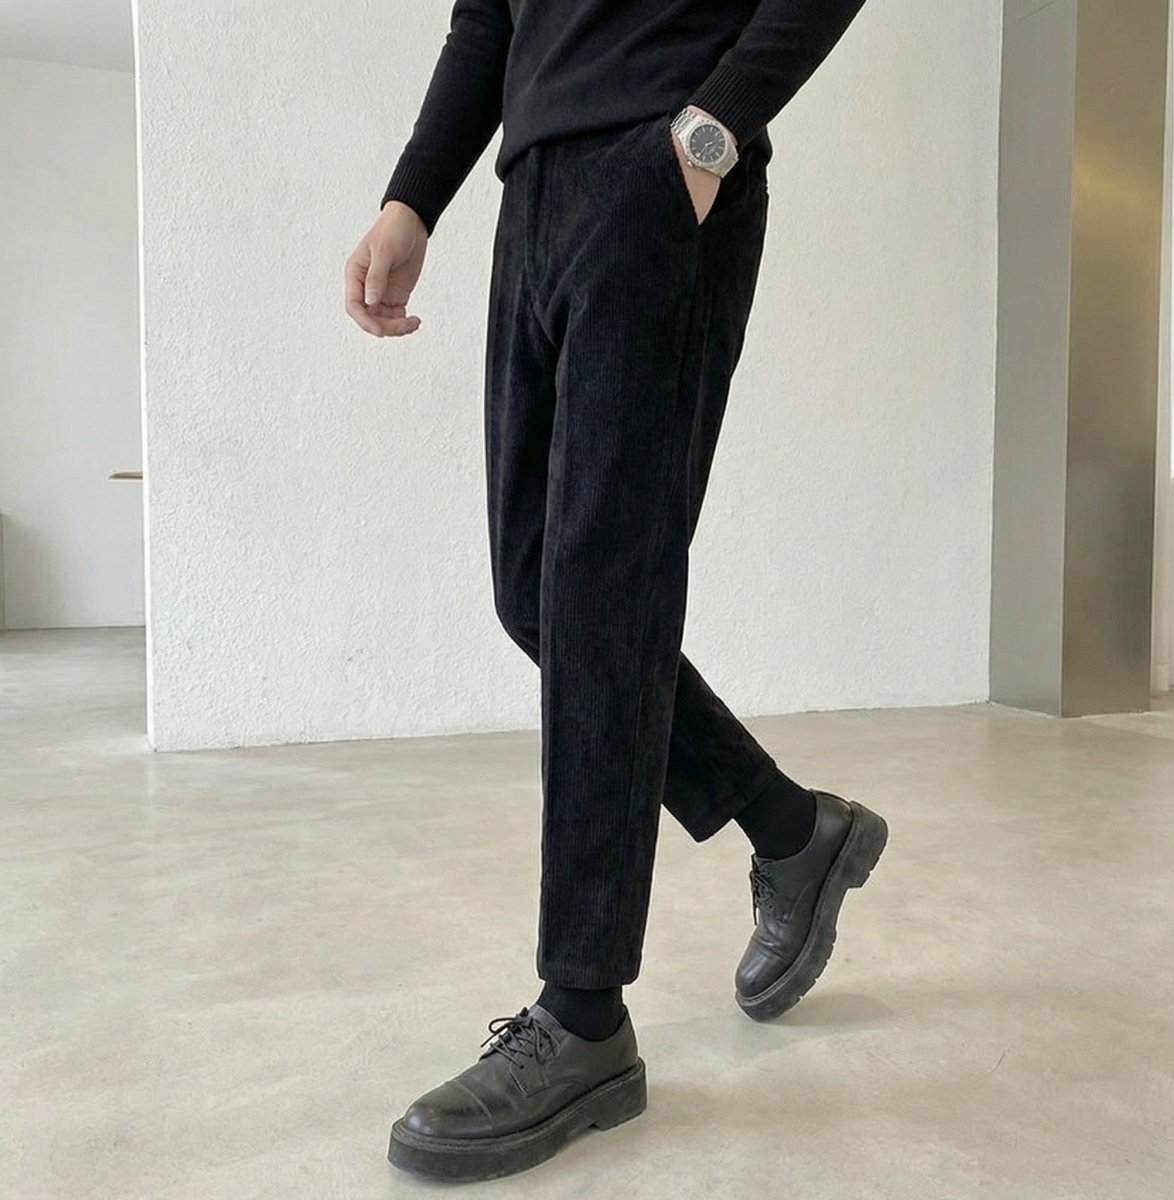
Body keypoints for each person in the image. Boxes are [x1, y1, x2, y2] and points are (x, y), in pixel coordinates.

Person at [344, 0, 885, 1182]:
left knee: (601, 594)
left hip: (657, 172)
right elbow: (488, 16)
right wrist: (412, 197)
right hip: (533, 188)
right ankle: (794, 831)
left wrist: (707, 137)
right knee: (539, 592)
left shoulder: (681, 158)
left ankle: (584, 1015)